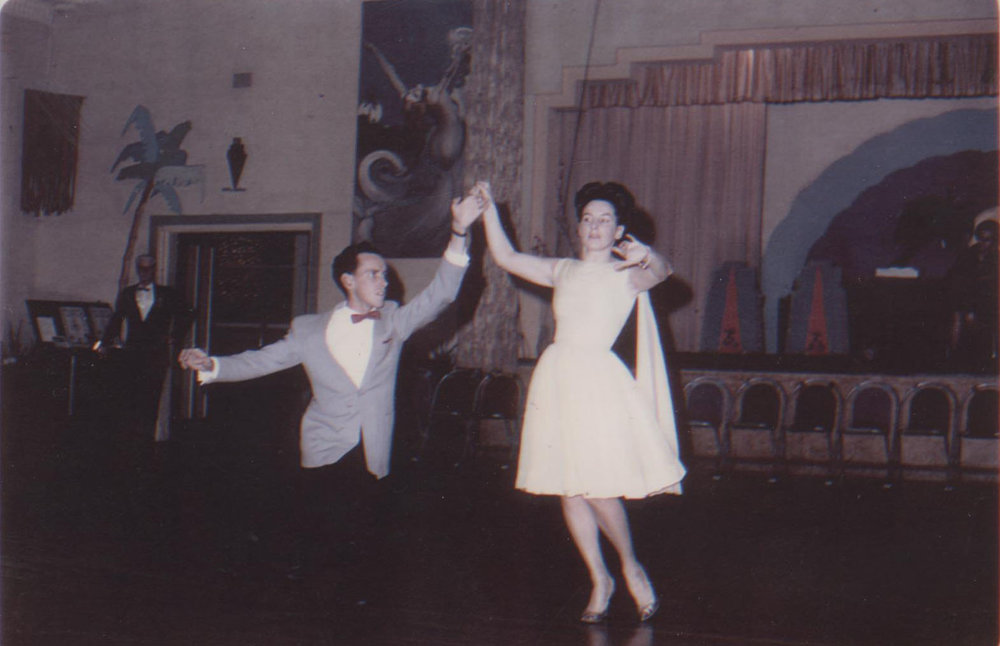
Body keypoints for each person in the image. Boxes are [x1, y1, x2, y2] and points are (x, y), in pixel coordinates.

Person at [177, 193, 481, 578]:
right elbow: (262, 361)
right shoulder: (308, 329)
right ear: (348, 280)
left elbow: (443, 294)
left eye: (384, 274)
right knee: (324, 543)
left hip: (372, 447)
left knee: (364, 546)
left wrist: (458, 231)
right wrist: (213, 364)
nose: (383, 281)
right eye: (374, 273)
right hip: (325, 447)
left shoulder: (393, 321)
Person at [472, 180, 685, 623]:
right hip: (557, 377)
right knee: (569, 487)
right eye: (587, 219)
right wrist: (488, 209)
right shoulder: (561, 270)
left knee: (599, 487)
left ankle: (630, 566)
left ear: (618, 229)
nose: (593, 226)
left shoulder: (626, 274)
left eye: (604, 220)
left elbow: (664, 272)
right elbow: (506, 257)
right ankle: (599, 577)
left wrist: (644, 253)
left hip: (598, 380)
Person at [99, 253, 192, 441]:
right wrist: (105, 342)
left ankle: (147, 441)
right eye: (141, 269)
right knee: (131, 396)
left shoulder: (168, 294)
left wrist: (174, 336)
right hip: (132, 351)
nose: (145, 273)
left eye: (148, 269)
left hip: (157, 353)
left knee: (151, 398)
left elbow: (188, 314)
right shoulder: (127, 293)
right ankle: (129, 440)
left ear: (154, 270)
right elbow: (118, 319)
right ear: (137, 269)